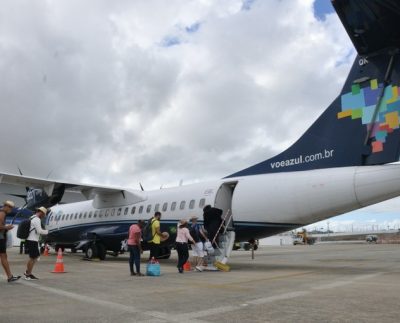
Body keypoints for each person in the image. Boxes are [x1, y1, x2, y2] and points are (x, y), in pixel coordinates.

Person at [24, 206, 49, 280]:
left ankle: (28, 272)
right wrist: (48, 232)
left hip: (31, 240)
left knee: (34, 257)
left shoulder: (32, 217)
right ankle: (27, 274)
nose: (44, 216)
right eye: (44, 214)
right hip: (32, 240)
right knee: (32, 258)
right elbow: (39, 231)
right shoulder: (37, 219)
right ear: (41, 213)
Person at [0, 200, 21, 282]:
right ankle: (10, 276)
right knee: (3, 256)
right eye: (10, 207)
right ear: (6, 206)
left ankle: (10, 276)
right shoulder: (2, 213)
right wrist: (7, 227)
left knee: (4, 256)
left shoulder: (2, 213)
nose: (11, 209)